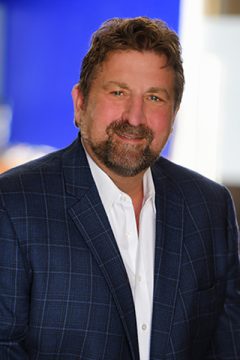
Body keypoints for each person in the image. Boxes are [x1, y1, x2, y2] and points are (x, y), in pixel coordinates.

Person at [0, 16, 239, 360]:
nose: (136, 117)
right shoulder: (13, 205)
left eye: (155, 98)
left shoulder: (209, 207)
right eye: (118, 92)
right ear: (80, 103)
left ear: (174, 114)